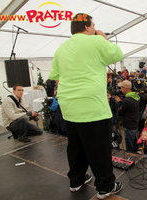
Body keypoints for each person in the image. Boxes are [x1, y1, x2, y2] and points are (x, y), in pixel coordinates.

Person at [48, 13, 123, 198]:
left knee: (76, 146)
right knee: (99, 148)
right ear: (87, 27)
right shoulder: (96, 41)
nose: (95, 28)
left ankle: (76, 180)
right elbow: (118, 54)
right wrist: (103, 38)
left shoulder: (61, 48)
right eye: (94, 25)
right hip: (92, 105)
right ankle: (105, 186)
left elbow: (55, 74)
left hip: (69, 106)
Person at [115, 80, 140, 152]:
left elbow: (120, 112)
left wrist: (119, 102)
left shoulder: (126, 100)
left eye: (121, 88)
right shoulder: (136, 97)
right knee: (134, 144)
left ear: (125, 88)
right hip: (134, 124)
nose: (120, 90)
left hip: (128, 126)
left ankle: (131, 159)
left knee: (129, 147)